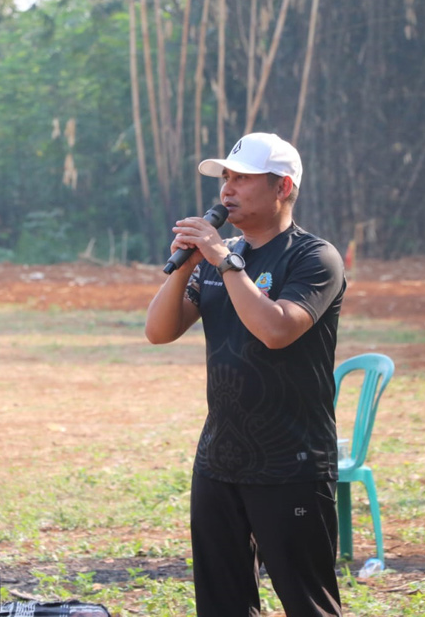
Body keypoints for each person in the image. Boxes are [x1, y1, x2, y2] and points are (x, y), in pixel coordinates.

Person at [144, 132, 346, 617]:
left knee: (308, 602)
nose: (227, 190)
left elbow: (275, 330)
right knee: (222, 604)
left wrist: (225, 261)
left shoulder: (314, 258)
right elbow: (159, 330)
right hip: (219, 458)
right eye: (225, 178)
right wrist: (185, 266)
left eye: (242, 178)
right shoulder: (219, 257)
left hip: (291, 460)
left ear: (282, 187)